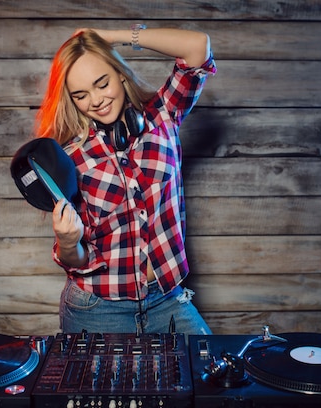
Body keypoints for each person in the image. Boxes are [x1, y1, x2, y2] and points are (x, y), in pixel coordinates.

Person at [33, 25, 216, 335]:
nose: (96, 100)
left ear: (118, 73)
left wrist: (112, 37)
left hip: (166, 299)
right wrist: (67, 241)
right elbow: (76, 260)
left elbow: (198, 48)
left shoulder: (162, 116)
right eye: (81, 95)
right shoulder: (70, 159)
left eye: (101, 83)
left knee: (208, 376)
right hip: (97, 308)